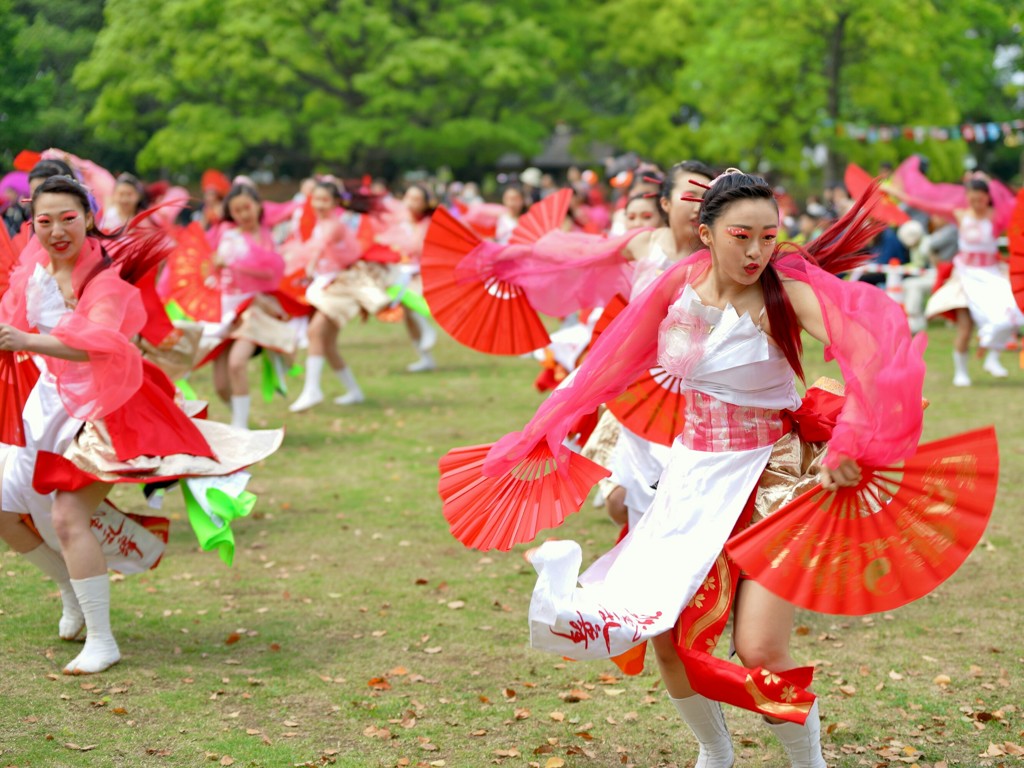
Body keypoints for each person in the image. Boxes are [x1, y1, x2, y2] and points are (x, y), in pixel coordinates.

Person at [455, 171, 926, 767]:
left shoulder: (784, 291)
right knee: (668, 638)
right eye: (741, 236)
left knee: (757, 647)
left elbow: (869, 353)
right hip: (693, 478)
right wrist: (541, 429)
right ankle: (714, 752)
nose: (756, 251)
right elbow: (611, 363)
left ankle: (810, 763)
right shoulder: (677, 285)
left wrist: (851, 443)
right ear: (706, 233)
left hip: (775, 480)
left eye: (768, 236)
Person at [0, 175, 282, 674]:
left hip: (106, 408)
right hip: (44, 406)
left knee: (67, 516)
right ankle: (69, 589)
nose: (57, 230)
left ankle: (103, 640)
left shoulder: (103, 279)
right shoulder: (33, 269)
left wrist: (24, 339)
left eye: (68, 218)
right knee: (6, 512)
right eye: (44, 221)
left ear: (88, 217)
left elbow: (99, 344)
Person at [288, 180, 390, 411]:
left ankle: (312, 389)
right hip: (328, 285)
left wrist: (310, 263)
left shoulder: (334, 225)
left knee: (315, 332)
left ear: (335, 202)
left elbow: (321, 247)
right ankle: (353, 391)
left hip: (342, 285)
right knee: (328, 343)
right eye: (316, 199)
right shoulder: (320, 223)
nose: (319, 204)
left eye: (325, 200)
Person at [919, 177, 1022, 385]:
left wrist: (988, 181)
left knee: (1015, 312)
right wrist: (895, 192)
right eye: (972, 199)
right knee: (965, 327)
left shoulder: (997, 216)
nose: (977, 204)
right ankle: (961, 372)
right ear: (967, 199)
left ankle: (992, 357)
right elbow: (924, 203)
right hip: (965, 278)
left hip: (992, 275)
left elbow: (1016, 206)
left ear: (988, 199)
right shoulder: (960, 215)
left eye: (981, 199)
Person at [204, 183, 289, 427]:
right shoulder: (228, 237)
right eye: (237, 211)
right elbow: (215, 272)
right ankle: (240, 419)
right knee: (221, 385)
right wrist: (216, 266)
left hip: (257, 312)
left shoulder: (268, 238)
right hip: (227, 312)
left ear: (258, 206)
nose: (243, 214)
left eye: (246, 208)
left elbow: (272, 272)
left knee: (237, 363)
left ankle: (239, 428)